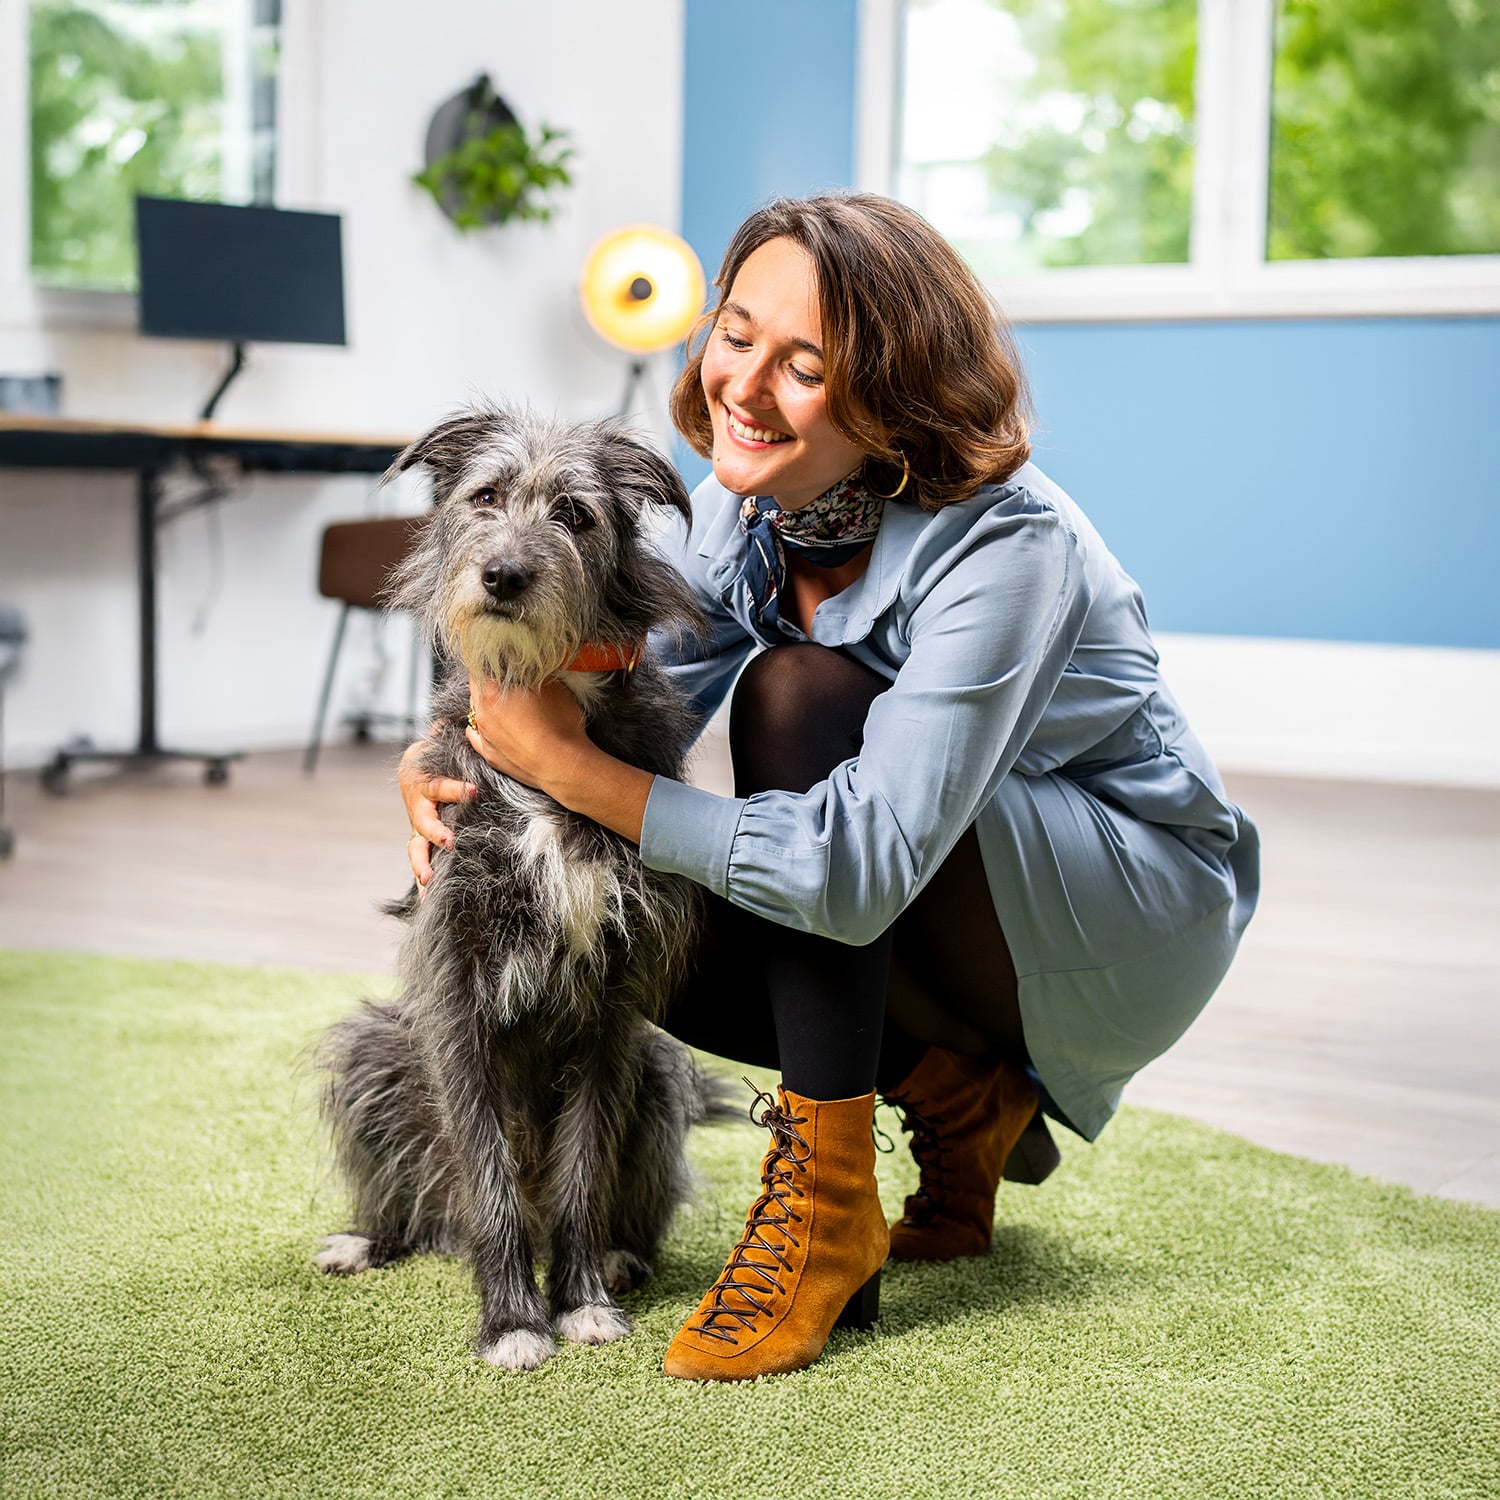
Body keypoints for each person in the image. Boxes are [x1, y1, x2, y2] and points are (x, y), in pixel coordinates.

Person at [399, 192, 1260, 1383]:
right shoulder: (743, 505)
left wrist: (575, 772)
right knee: (621, 906)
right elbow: (624, 685)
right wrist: (457, 747)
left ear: (893, 392)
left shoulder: (1010, 544)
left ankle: (827, 1216)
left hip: (1122, 903)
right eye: (736, 333)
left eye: (806, 364)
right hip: (934, 871)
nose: (743, 386)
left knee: (798, 697)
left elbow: (850, 872)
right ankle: (957, 1097)